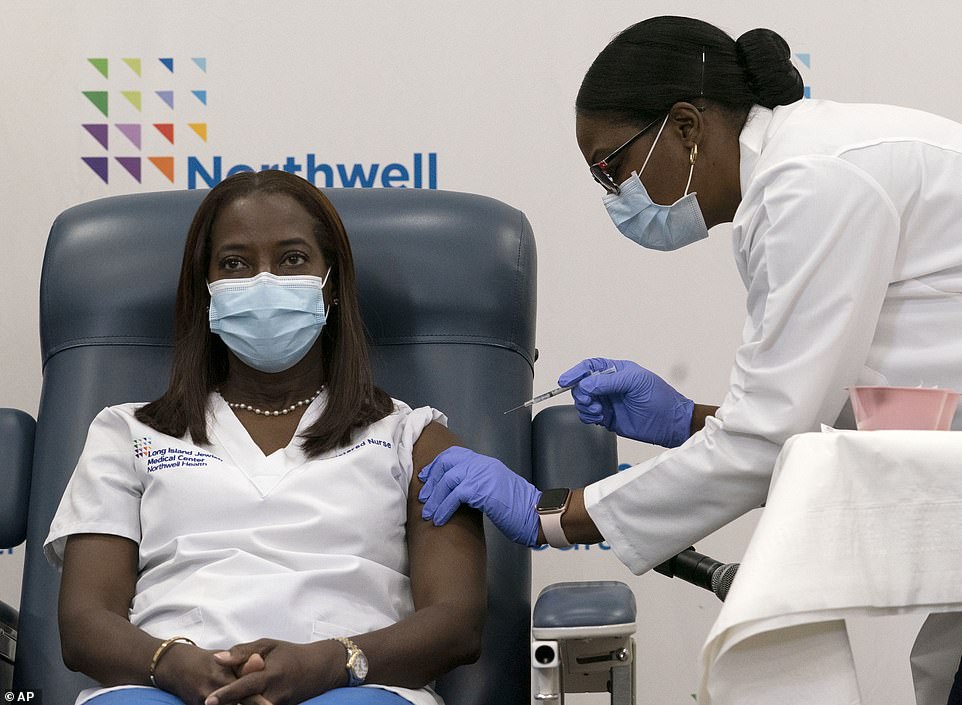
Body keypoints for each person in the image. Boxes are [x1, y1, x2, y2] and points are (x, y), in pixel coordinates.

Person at [419, 16, 962, 580]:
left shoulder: (810, 185)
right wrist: (689, 420)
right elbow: (822, 426)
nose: (614, 196)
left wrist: (548, 516)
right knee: (938, 665)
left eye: (612, 168)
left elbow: (769, 441)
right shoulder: (791, 183)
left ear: (685, 127)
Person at [44, 170, 486, 705]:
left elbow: (456, 623)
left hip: (353, 688)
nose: (263, 281)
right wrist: (171, 664)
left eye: (293, 259)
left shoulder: (413, 437)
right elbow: (84, 622)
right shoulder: (127, 433)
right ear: (204, 292)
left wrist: (329, 662)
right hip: (168, 690)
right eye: (234, 264)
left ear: (332, 286)